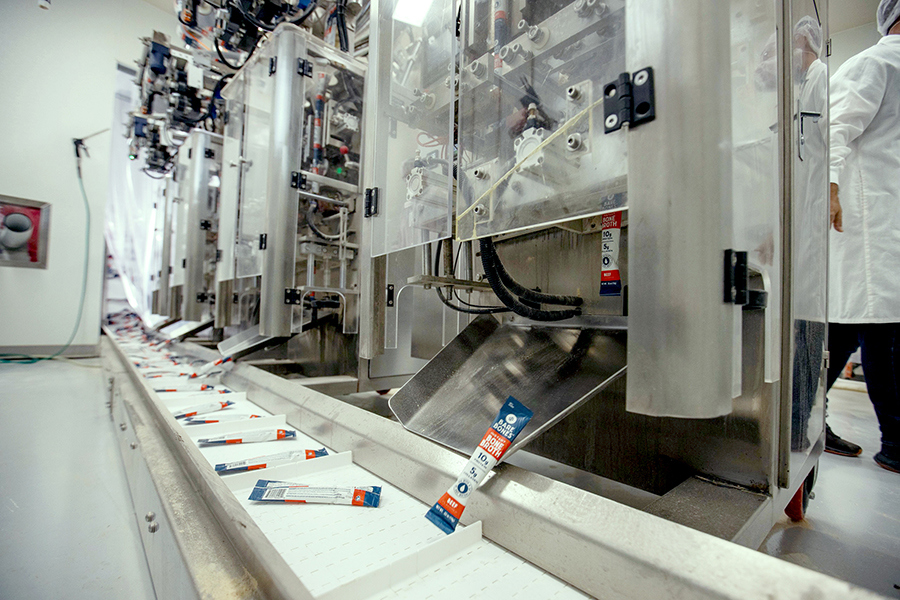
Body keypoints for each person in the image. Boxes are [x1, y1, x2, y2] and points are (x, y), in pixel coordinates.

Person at [825, 0, 900, 473]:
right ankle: (895, 440)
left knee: (856, 329)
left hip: (886, 223)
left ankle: (801, 420)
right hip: (865, 227)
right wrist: (828, 189)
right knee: (874, 328)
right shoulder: (876, 62)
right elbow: (833, 127)